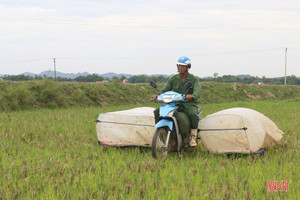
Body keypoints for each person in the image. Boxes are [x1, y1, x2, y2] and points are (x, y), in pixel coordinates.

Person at [152, 56, 201, 147]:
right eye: (179, 66)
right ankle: (161, 133)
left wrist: (193, 96)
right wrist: (158, 95)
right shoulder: (173, 78)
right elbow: (165, 89)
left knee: (193, 114)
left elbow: (197, 91)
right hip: (175, 103)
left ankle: (192, 137)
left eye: (183, 66)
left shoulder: (193, 79)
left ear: (188, 67)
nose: (180, 68)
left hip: (188, 104)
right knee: (157, 111)